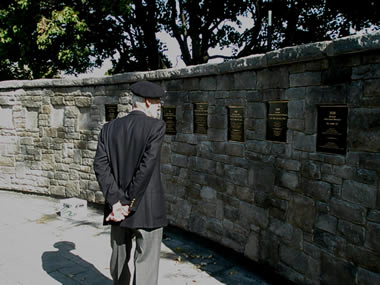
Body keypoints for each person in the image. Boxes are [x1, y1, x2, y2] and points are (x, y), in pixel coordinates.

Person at [93, 80, 168, 285]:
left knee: (118, 261)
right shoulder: (156, 127)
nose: (158, 106)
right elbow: (146, 167)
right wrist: (127, 203)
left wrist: (116, 202)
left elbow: (101, 167)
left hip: (117, 210)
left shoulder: (108, 129)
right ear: (145, 102)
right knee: (146, 265)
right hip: (146, 208)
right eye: (156, 103)